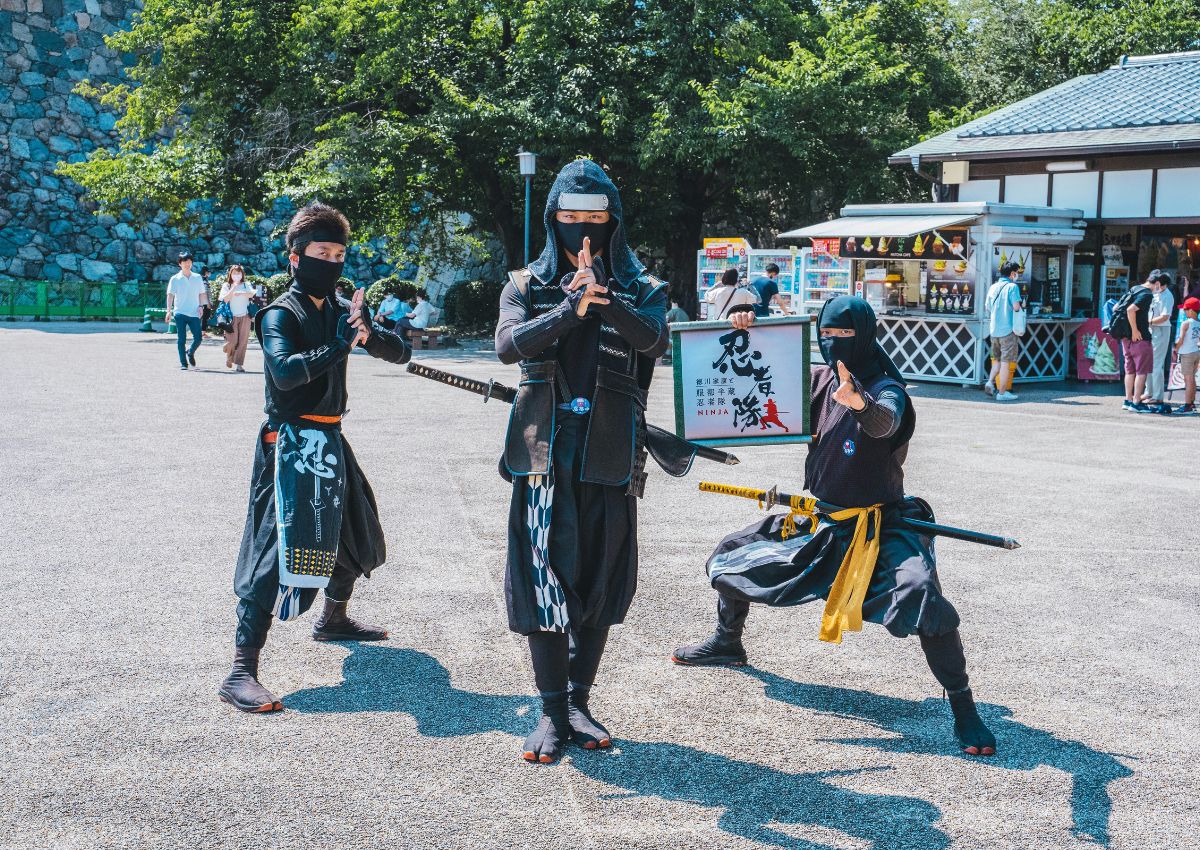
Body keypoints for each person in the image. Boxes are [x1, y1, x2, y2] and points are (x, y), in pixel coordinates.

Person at [673, 295, 997, 757]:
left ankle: (964, 706)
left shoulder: (888, 389)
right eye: (826, 335)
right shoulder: (816, 379)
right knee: (735, 554)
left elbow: (885, 424)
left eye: (844, 336)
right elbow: (751, 374)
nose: (833, 344)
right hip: (818, 522)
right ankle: (728, 642)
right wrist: (747, 329)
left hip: (878, 529)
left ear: (865, 337)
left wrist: (860, 405)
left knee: (922, 594)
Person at [494, 158, 668, 764]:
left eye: (596, 218)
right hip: (543, 453)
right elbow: (507, 345)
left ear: (614, 221)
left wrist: (607, 300)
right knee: (544, 576)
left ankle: (578, 699)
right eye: (571, 219)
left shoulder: (642, 287)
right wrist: (570, 311)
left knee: (600, 575)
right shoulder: (525, 284)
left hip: (611, 451)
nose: (584, 231)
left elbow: (656, 340)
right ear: (552, 221)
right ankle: (548, 708)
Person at [218, 202, 413, 714]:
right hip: (288, 444)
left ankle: (333, 619)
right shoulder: (281, 312)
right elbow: (285, 372)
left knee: (353, 526)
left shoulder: (341, 308)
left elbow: (400, 354)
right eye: (320, 252)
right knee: (274, 548)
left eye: (338, 253)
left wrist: (368, 330)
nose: (331, 261)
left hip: (330, 438)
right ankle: (241, 670)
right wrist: (341, 344)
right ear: (295, 257)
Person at [984, 262, 1024, 401]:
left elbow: (988, 307)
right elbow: (1016, 307)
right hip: (1008, 330)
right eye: (1016, 272)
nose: (1017, 275)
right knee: (1006, 362)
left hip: (994, 330)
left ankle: (990, 382)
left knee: (996, 360)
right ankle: (1002, 393)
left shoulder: (993, 287)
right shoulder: (1013, 287)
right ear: (1012, 273)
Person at [165, 251, 208, 370]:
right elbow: (170, 295)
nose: (187, 264)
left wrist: (201, 306)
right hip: (180, 312)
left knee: (198, 338)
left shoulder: (197, 277)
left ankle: (190, 352)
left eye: (189, 261)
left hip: (194, 312)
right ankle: (184, 363)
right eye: (185, 261)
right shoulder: (175, 279)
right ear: (180, 263)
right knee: (181, 339)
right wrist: (168, 311)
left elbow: (201, 293)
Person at [1121, 272, 1158, 414]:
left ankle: (1128, 400)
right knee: (1141, 371)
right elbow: (1131, 310)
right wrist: (1135, 330)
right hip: (1140, 337)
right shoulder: (1147, 294)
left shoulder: (1134, 289)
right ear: (1157, 284)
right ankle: (1136, 402)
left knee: (1129, 370)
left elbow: (1116, 308)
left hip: (1125, 338)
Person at [1145, 272, 1175, 414]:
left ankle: (1157, 396)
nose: (1157, 285)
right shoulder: (1156, 293)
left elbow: (1164, 316)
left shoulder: (1167, 296)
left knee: (1157, 363)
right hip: (1152, 330)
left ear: (1165, 284)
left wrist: (1148, 322)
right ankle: (1148, 391)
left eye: (1159, 284)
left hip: (1161, 330)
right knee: (1149, 362)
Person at [220, 264, 254, 372]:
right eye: (234, 273)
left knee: (243, 341)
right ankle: (229, 356)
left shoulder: (246, 284)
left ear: (242, 274)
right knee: (232, 341)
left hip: (245, 316)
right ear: (230, 274)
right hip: (231, 317)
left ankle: (239, 365)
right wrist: (233, 288)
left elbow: (251, 294)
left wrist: (242, 293)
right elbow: (224, 299)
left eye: (239, 273)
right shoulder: (227, 285)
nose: (236, 275)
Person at [1173, 296, 1200, 415]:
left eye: (1185, 309)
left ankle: (1187, 406)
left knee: (1188, 380)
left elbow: (1181, 340)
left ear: (1191, 310)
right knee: (1192, 379)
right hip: (1196, 352)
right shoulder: (1198, 323)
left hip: (1186, 354)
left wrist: (1175, 348)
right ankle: (1192, 403)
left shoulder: (1186, 323)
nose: (1184, 311)